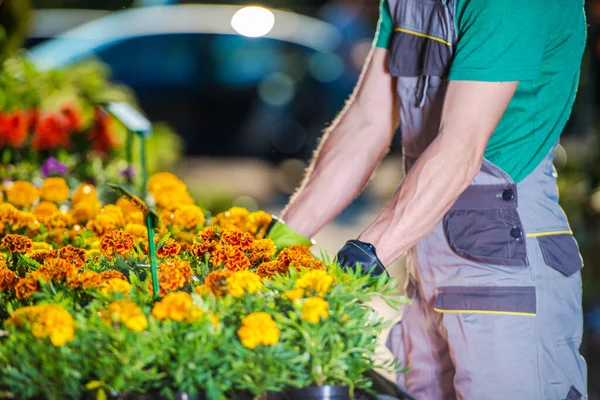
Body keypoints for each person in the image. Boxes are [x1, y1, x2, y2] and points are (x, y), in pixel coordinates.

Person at [266, 0, 588, 398]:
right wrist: (274, 247)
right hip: (425, 255)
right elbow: (367, 121)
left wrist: (359, 262)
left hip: (507, 263)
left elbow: (460, 148)